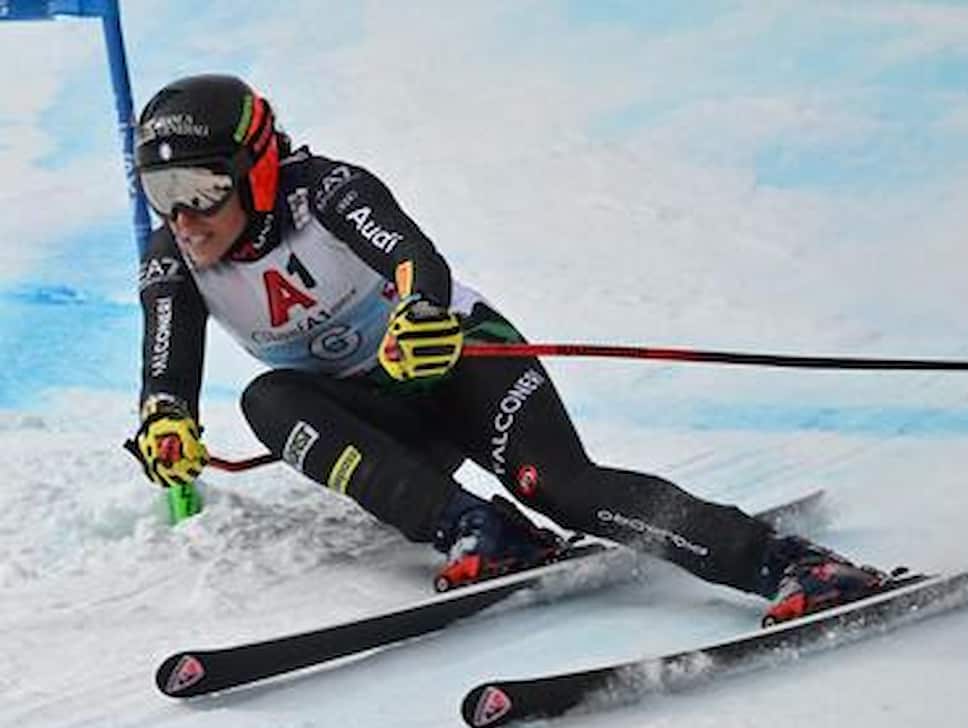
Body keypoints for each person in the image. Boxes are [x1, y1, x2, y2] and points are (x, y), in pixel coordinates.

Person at [125, 74, 894, 624]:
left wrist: (420, 314)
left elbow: (415, 260)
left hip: (459, 362)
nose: (183, 218)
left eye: (199, 189)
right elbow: (168, 365)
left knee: (558, 485)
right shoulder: (175, 257)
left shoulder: (326, 192)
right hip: (382, 418)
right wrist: (166, 421)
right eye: (161, 195)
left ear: (254, 170)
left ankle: (788, 562)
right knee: (269, 400)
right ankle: (476, 529)